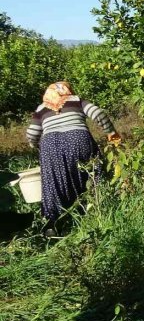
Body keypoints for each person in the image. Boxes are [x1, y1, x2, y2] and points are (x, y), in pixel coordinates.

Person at [25, 82, 120, 228]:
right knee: (90, 173)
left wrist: (36, 146)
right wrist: (111, 133)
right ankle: (97, 211)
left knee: (54, 182)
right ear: (68, 90)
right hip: (78, 138)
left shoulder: (41, 109)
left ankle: (53, 223)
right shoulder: (77, 101)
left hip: (50, 145)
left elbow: (32, 134)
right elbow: (98, 113)